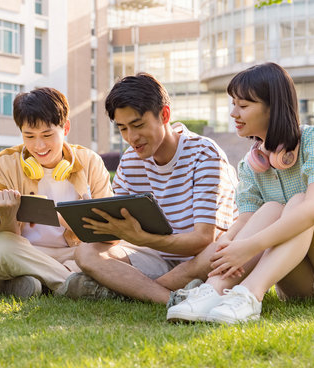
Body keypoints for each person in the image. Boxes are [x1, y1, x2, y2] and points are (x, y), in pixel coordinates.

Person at [167, 62, 314, 324]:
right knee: (271, 209)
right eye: (233, 105)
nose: (233, 113)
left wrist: (249, 246)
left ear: (272, 107)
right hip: (302, 284)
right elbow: (245, 222)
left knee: (300, 202)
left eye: (243, 105)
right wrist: (228, 246)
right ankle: (213, 291)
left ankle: (249, 296)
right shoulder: (250, 165)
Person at [59, 73, 238, 303]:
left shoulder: (204, 154)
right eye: (123, 128)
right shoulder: (130, 161)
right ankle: (169, 298)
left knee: (218, 251)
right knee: (86, 252)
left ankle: (128, 290)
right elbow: (118, 236)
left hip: (200, 258)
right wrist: (101, 222)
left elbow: (203, 239)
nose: (132, 138)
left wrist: (142, 238)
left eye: (138, 125)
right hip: (154, 257)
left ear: (164, 115)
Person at [0, 87, 113, 298]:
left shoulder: (90, 162)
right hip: (24, 252)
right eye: (29, 136)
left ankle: (29, 283)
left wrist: (64, 217)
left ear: (65, 127)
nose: (38, 146)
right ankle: (71, 283)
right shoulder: (4, 164)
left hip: (74, 252)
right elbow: (7, 237)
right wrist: (8, 216)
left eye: (47, 135)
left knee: (108, 254)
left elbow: (109, 234)